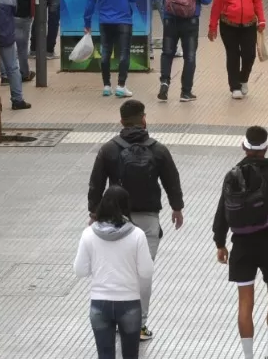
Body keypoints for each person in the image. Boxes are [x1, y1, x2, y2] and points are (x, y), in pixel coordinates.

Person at [87, 100, 184, 340]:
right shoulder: (158, 149)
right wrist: (177, 208)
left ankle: (116, 318)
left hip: (115, 219)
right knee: (143, 272)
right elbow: (172, 179)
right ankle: (139, 325)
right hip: (149, 219)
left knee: (117, 269)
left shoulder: (109, 149)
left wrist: (93, 212)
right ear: (143, 119)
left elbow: (96, 183)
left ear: (121, 121)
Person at [213, 126, 268, 359]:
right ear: (266, 148)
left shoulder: (233, 174)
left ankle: (248, 356)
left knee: (245, 303)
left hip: (241, 246)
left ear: (244, 147)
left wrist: (220, 243)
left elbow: (221, 212)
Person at [75, 185, 155, 359]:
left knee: (105, 355)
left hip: (99, 303)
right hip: (129, 303)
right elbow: (146, 272)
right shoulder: (137, 235)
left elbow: (80, 270)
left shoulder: (88, 234)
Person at [151, 0, 213, 102]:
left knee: (167, 53)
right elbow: (206, 0)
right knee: (189, 56)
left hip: (169, 18)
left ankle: (164, 83)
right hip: (190, 21)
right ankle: (186, 92)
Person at [85, 0, 142, 99]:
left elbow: (90, 2)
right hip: (124, 21)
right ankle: (121, 86)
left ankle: (106, 86)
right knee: (124, 53)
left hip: (105, 22)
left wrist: (87, 22)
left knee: (105, 53)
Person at [208, 0, 266, 99]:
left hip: (249, 24)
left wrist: (261, 20)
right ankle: (234, 86)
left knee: (249, 54)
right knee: (233, 55)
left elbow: (257, 1)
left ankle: (243, 78)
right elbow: (216, 6)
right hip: (229, 26)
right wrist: (212, 26)